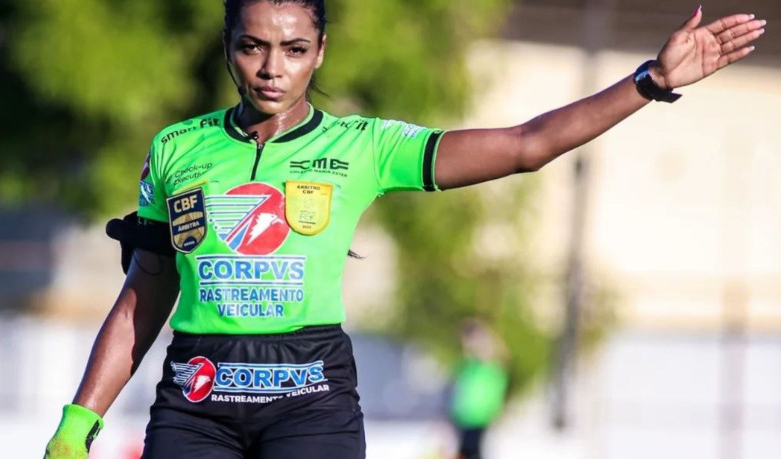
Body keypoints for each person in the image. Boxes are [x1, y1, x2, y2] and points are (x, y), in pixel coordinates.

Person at [43, 1, 766, 458]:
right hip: (196, 400)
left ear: (320, 51)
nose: (271, 68)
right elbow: (145, 294)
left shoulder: (364, 146)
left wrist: (648, 81)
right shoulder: (178, 148)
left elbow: (525, 144)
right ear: (228, 43)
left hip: (310, 401)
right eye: (252, 46)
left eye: (294, 49)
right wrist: (79, 421)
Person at [449, 320, 509, 459]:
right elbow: (461, 391)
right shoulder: (468, 366)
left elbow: (493, 393)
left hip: (480, 417)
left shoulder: (491, 368)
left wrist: (493, 411)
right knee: (464, 451)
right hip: (464, 417)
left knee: (473, 450)